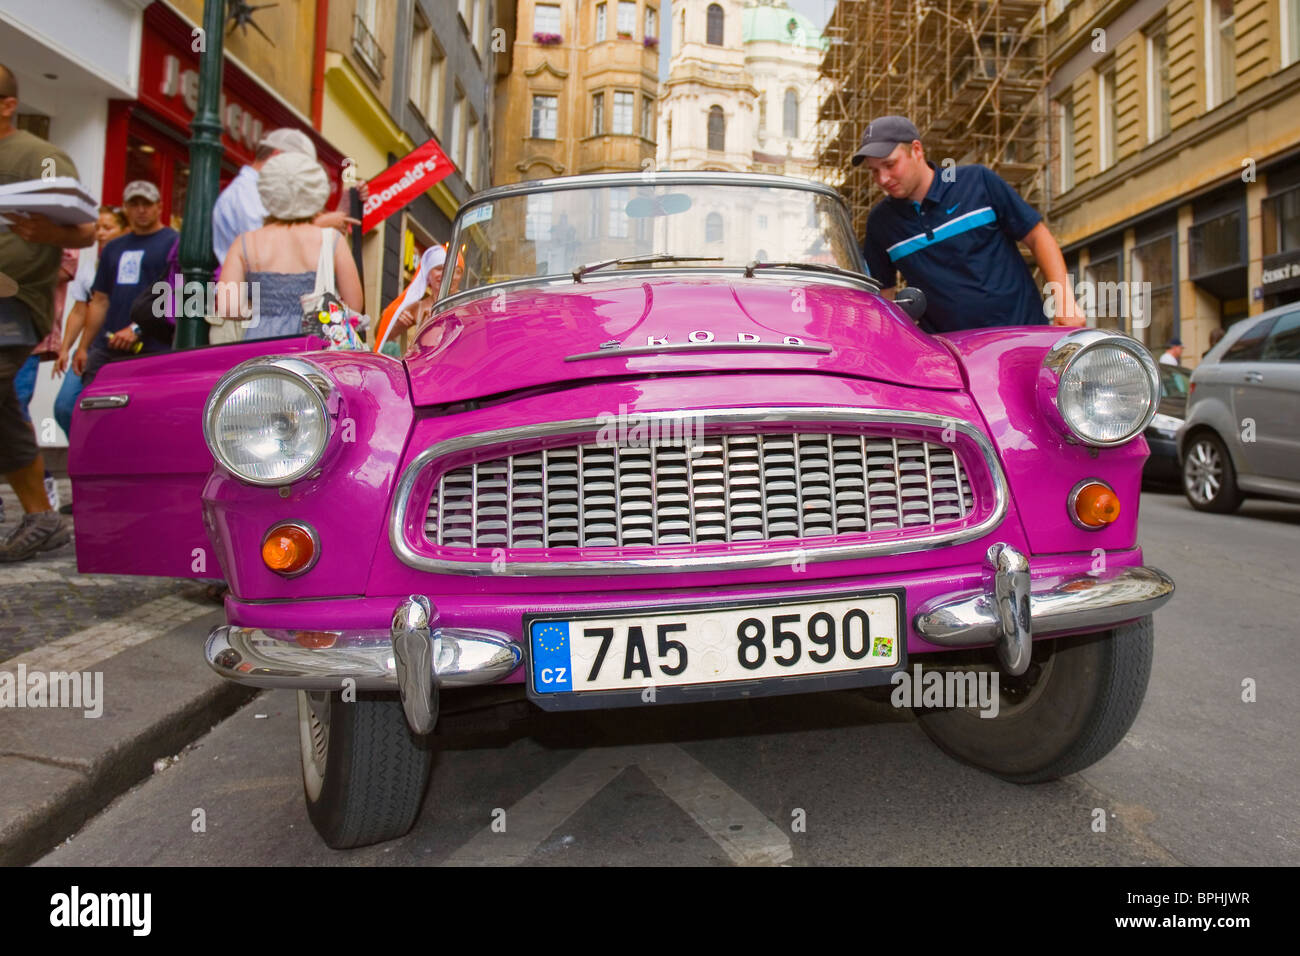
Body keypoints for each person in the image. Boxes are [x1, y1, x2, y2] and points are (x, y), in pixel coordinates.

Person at [852, 115, 1085, 333]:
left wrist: (1064, 300)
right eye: (874, 171)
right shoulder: (880, 223)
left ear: (916, 150)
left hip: (1022, 334)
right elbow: (883, 295)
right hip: (952, 358)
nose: (882, 179)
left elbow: (1037, 236)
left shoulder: (977, 182)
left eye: (890, 165)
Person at [0, 62, 95, 560]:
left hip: (13, 302)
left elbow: (85, 231)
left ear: (8, 105)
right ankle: (40, 516)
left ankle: (41, 514)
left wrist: (48, 234)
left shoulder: (41, 158)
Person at [209, 128, 357, 344]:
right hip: (313, 344)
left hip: (260, 340)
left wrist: (265, 308)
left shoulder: (245, 242)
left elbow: (227, 306)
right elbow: (354, 305)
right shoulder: (331, 240)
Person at [73, 181, 178, 387]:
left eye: (146, 203)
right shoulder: (113, 247)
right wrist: (84, 346)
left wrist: (137, 328)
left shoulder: (174, 243)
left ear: (159, 206)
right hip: (107, 346)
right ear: (125, 208)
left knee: (141, 413)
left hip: (153, 347)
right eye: (134, 203)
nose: (141, 210)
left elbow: (177, 296)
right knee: (80, 408)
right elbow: (100, 300)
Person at [53, 206, 127, 441]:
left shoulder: (132, 261)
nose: (101, 233)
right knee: (65, 406)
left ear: (125, 230)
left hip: (123, 348)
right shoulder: (89, 267)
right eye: (97, 228)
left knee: (108, 411)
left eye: (108, 227)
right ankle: (81, 451)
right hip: (90, 347)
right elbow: (79, 311)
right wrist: (66, 348)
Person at [375, 244, 446, 355]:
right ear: (428, 275)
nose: (443, 274)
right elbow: (379, 335)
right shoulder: (417, 307)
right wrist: (395, 321)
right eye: (438, 269)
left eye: (449, 270)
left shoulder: (464, 303)